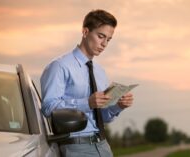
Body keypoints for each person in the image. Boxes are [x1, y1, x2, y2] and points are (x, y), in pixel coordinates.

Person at [40, 9, 133, 157]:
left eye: (108, 39)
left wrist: (118, 107)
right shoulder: (59, 66)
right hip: (75, 146)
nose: (104, 44)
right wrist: (87, 103)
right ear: (85, 32)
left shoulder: (100, 72)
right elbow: (48, 107)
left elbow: (103, 116)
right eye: (101, 36)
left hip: (103, 146)